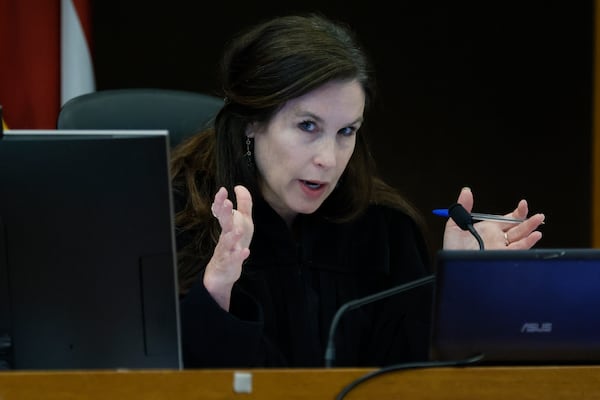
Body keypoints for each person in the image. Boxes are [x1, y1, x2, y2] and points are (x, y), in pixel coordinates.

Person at [170, 13, 545, 368]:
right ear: (252, 122)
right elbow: (157, 377)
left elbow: (411, 377)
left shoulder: (383, 226)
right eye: (307, 126)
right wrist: (218, 288)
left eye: (346, 131)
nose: (329, 159)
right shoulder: (177, 215)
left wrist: (460, 289)